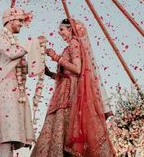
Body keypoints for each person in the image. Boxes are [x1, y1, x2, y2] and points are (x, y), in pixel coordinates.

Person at [31, 18, 115, 157]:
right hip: (64, 93)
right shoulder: (69, 46)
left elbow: (77, 69)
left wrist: (56, 57)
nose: (60, 33)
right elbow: (66, 76)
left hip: (71, 95)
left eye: (62, 30)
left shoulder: (74, 44)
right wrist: (49, 73)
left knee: (68, 131)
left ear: (70, 30)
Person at [0, 7, 47, 157]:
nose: (21, 24)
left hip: (15, 89)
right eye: (19, 20)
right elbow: (11, 52)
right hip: (4, 87)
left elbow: (23, 68)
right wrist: (33, 42)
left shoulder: (14, 40)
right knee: (5, 133)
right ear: (10, 20)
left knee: (10, 135)